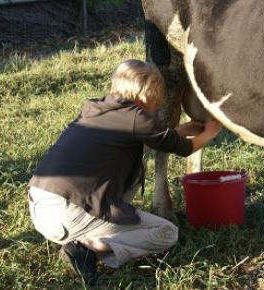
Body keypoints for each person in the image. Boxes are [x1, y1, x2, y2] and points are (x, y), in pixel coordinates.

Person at [27, 59, 221, 283]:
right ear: (148, 94)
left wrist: (181, 130)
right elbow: (186, 149)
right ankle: (88, 247)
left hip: (41, 207)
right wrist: (210, 131)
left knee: (128, 165)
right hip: (68, 215)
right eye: (156, 96)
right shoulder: (138, 118)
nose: (157, 104)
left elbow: (145, 140)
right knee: (167, 233)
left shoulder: (95, 108)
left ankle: (90, 233)